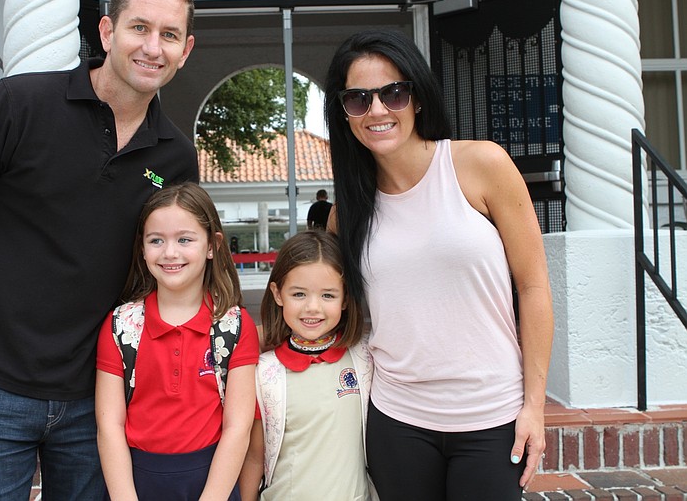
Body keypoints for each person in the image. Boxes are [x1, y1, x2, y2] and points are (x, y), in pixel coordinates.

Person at [0, 0, 198, 499]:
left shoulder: (174, 156)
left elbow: (173, 272)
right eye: (139, 28)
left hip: (99, 393)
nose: (153, 47)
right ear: (107, 32)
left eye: (169, 35)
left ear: (185, 49)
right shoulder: (18, 105)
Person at [324, 29, 554, 500]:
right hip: (397, 418)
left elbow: (533, 287)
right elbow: (337, 310)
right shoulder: (347, 211)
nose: (378, 110)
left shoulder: (480, 165)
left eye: (394, 93)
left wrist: (535, 406)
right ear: (344, 113)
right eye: (358, 99)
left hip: (491, 415)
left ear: (418, 98)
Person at [95, 183, 259, 500]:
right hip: (134, 483)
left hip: (212, 483)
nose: (170, 252)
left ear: (212, 245)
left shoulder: (234, 326)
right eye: (156, 240)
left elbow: (238, 427)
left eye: (184, 239)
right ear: (142, 249)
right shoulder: (120, 326)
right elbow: (110, 426)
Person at [238, 229, 374, 500]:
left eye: (328, 295)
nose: (313, 307)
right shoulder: (264, 373)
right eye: (299, 294)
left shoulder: (365, 358)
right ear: (278, 294)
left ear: (346, 298)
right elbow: (254, 458)